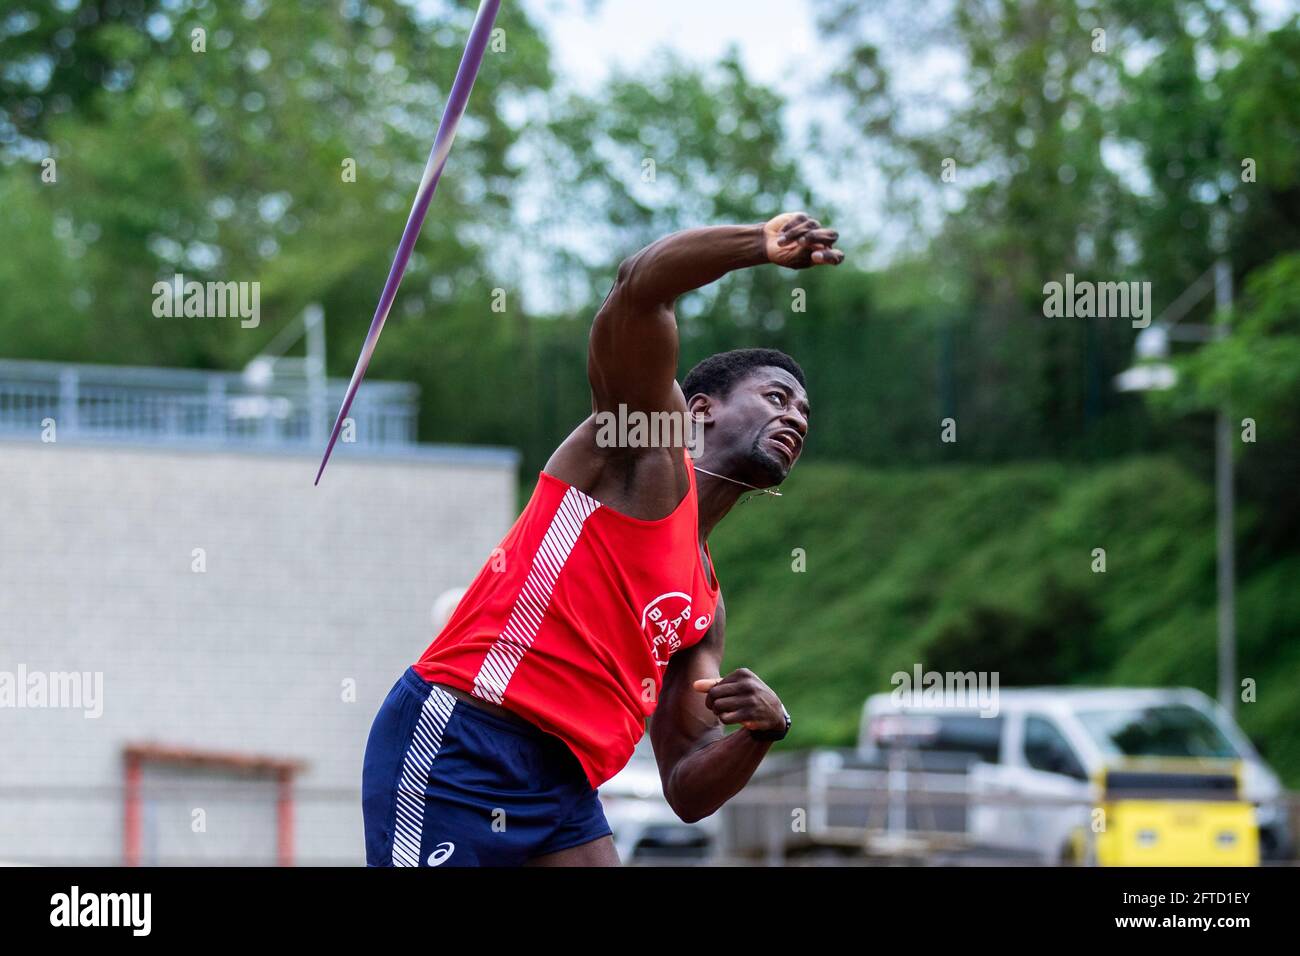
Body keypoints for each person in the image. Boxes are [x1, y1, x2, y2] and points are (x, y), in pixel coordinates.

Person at [362, 211, 843, 866]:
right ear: (700, 411)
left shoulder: (704, 604)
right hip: (463, 740)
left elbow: (687, 786)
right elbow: (639, 288)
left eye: (806, 412)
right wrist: (757, 243)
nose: (796, 416)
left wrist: (763, 732)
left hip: (564, 787)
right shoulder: (643, 447)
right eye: (777, 397)